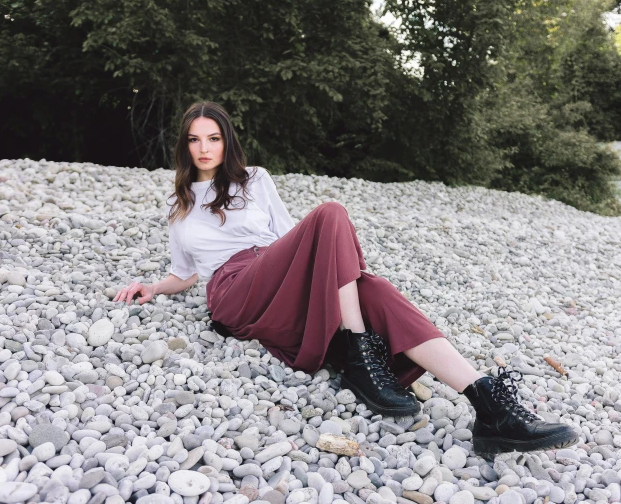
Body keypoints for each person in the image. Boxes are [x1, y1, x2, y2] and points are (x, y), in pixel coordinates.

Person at [114, 101, 579, 458]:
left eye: (213, 137)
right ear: (185, 145)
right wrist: (153, 287)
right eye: (195, 139)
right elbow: (184, 272)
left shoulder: (255, 179)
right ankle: (358, 347)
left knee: (373, 290)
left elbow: (287, 238)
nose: (204, 147)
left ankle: (488, 404)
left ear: (226, 141)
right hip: (235, 290)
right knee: (332, 213)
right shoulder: (180, 205)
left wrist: (331, 274)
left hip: (273, 268)